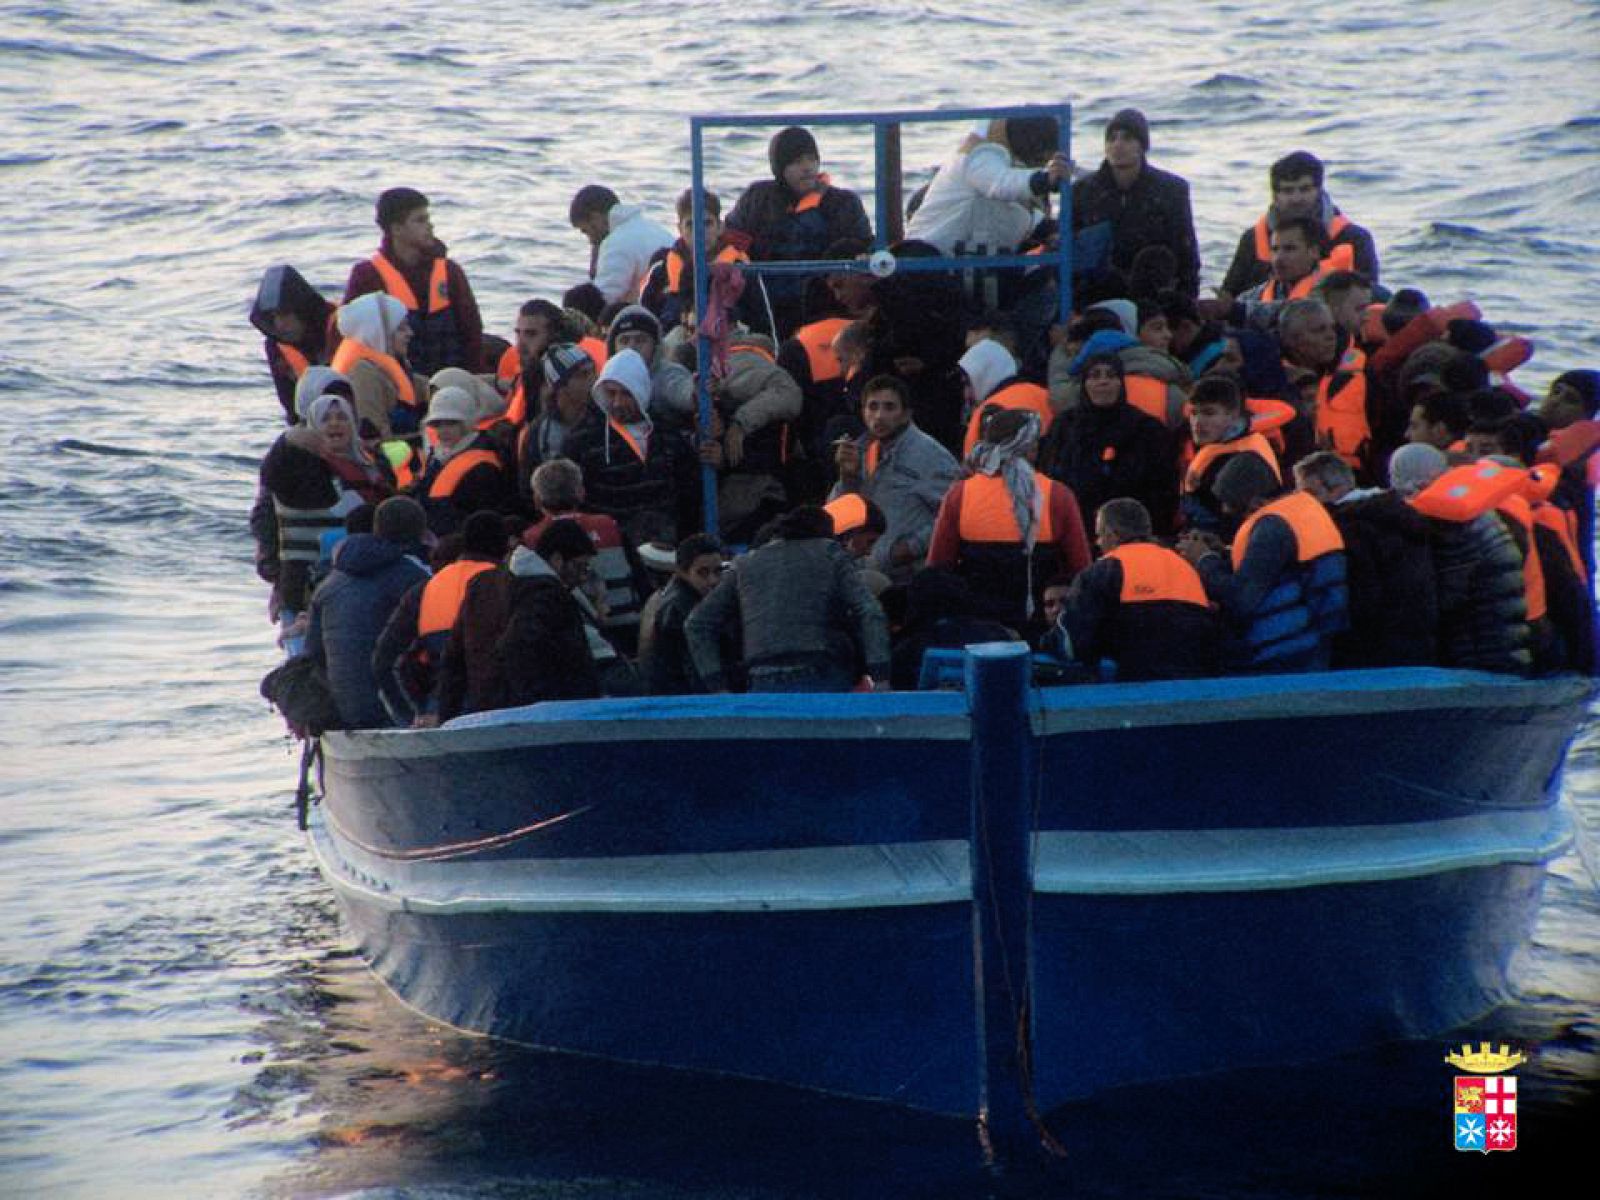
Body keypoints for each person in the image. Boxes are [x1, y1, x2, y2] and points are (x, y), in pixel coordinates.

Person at [686, 505, 890, 693]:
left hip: (761, 680)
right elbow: (870, 611)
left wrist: (717, 687)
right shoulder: (831, 554)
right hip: (822, 673)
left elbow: (697, 623)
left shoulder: (746, 563)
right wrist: (880, 676)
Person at [1178, 453, 1348, 672]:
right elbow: (1282, 569)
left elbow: (1241, 599)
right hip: (1312, 643)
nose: (1239, 522)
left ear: (1257, 502)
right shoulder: (1300, 512)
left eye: (1237, 511)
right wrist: (1224, 553)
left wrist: (1203, 559)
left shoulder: (1272, 526)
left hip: (1281, 653)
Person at [926, 408, 1091, 627]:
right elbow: (1081, 568)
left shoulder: (960, 494)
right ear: (1030, 447)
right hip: (1039, 623)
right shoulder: (1057, 495)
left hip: (977, 624)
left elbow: (937, 567)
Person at [259, 378, 396, 617]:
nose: (335, 424)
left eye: (342, 417)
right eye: (326, 419)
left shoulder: (374, 465)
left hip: (364, 578)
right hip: (307, 583)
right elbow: (271, 473)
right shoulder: (300, 469)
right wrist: (288, 439)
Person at [1046, 497, 1220, 681]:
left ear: (1111, 534)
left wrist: (1045, 643)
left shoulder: (1104, 571)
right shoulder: (1186, 567)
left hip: (1137, 689)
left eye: (1099, 535)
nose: (1097, 542)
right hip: (1195, 682)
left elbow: (1071, 644)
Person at [1392, 445, 1530, 674]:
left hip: (1482, 644)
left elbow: (1449, 598)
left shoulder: (1450, 524)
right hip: (1506, 630)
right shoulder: (1474, 510)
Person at [725, 125, 873, 338]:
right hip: (765, 308)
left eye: (812, 159)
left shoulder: (844, 203)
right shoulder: (756, 199)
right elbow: (731, 242)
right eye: (797, 162)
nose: (807, 167)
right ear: (780, 168)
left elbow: (864, 248)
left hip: (826, 307)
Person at [1292, 451, 1438, 667]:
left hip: (1371, 651)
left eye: (1311, 494)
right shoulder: (1398, 512)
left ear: (1338, 489)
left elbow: (1360, 598)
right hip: (1417, 637)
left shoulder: (1347, 529)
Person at [302, 495, 432, 729]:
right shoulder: (415, 578)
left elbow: (313, 651)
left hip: (347, 710)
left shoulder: (329, 583)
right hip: (397, 713)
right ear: (421, 532)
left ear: (376, 528)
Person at [372, 510, 507, 727]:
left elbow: (383, 661)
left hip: (440, 714)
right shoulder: (513, 582)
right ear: (505, 546)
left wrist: (411, 716)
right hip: (502, 711)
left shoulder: (425, 590)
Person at [829, 374, 961, 583]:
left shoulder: (931, 456)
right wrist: (848, 479)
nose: (879, 416)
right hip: (860, 577)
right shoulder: (858, 451)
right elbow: (836, 517)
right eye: (872, 407)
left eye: (889, 407)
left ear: (906, 414)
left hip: (907, 582)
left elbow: (954, 513)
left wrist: (908, 548)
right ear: (863, 412)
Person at [343, 187, 483, 377]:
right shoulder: (367, 276)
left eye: (428, 218)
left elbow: (472, 333)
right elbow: (353, 340)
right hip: (395, 386)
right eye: (420, 220)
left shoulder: (450, 272)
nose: (430, 226)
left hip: (450, 382)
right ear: (396, 229)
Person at [564, 347, 697, 544]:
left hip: (665, 547)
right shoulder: (582, 440)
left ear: (641, 390)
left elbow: (689, 495)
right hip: (609, 548)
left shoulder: (668, 435)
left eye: (626, 393)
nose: (617, 403)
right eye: (611, 393)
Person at [522, 457, 651, 657]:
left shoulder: (532, 539)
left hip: (573, 634)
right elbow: (641, 577)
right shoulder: (610, 526)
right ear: (581, 493)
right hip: (625, 625)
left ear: (537, 500)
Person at [1040, 351, 1177, 535]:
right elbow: (1049, 476)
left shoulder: (1147, 429)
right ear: (1084, 384)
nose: (1103, 381)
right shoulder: (1064, 427)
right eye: (1095, 375)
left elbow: (1163, 490)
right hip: (1074, 529)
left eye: (1111, 375)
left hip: (1130, 534)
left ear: (1121, 382)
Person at [1071, 108, 1200, 298]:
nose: (1118, 145)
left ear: (1142, 146)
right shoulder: (1083, 191)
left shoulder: (1171, 190)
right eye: (1112, 138)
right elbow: (1071, 250)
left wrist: (1187, 302)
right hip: (1097, 294)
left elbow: (1186, 254)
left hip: (1156, 293)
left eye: (1127, 138)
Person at [1219, 151, 1380, 302]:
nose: (1297, 198)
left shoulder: (1354, 238)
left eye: (1304, 189)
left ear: (1319, 190)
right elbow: (1229, 295)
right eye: (1288, 191)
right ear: (1275, 195)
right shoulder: (1252, 239)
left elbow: (1368, 300)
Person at [904, 115, 1070, 255]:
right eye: (1042, 157)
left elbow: (1018, 212)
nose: (1043, 163)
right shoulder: (979, 155)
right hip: (925, 258)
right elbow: (999, 184)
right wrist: (1045, 180)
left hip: (964, 264)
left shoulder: (1014, 173)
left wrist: (1051, 231)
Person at [496, 520, 604, 707]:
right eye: (579, 567)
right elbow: (518, 645)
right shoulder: (544, 595)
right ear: (557, 559)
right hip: (558, 708)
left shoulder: (525, 586)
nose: (582, 576)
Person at [1180, 375, 1282, 535]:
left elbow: (1229, 527)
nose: (1198, 422)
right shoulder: (1217, 446)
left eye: (1209, 413)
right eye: (1194, 413)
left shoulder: (1246, 461)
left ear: (1233, 415)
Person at [330, 292, 430, 438]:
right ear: (379, 333)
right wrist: (427, 436)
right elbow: (374, 438)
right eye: (401, 328)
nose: (410, 333)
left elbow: (427, 386)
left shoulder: (391, 366)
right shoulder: (362, 374)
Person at [413, 386, 510, 536]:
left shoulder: (483, 466)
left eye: (451, 423)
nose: (443, 430)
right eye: (437, 424)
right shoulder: (438, 456)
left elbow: (483, 520)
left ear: (467, 423)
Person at [251, 265, 339, 424]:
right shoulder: (276, 347)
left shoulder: (341, 326)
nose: (279, 324)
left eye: (285, 314)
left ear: (302, 311)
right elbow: (291, 408)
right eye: (273, 316)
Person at [638, 532, 724, 695]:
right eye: (703, 573)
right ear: (683, 572)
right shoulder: (681, 607)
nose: (713, 580)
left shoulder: (670, 598)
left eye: (718, 571)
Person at [569, 184, 676, 305]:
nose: (590, 241)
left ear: (596, 219)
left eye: (586, 231)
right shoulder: (654, 228)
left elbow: (602, 300)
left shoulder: (615, 243)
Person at [956, 338, 1053, 457]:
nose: (966, 394)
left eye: (968, 384)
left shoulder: (987, 413)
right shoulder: (1044, 395)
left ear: (983, 375)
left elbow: (975, 466)